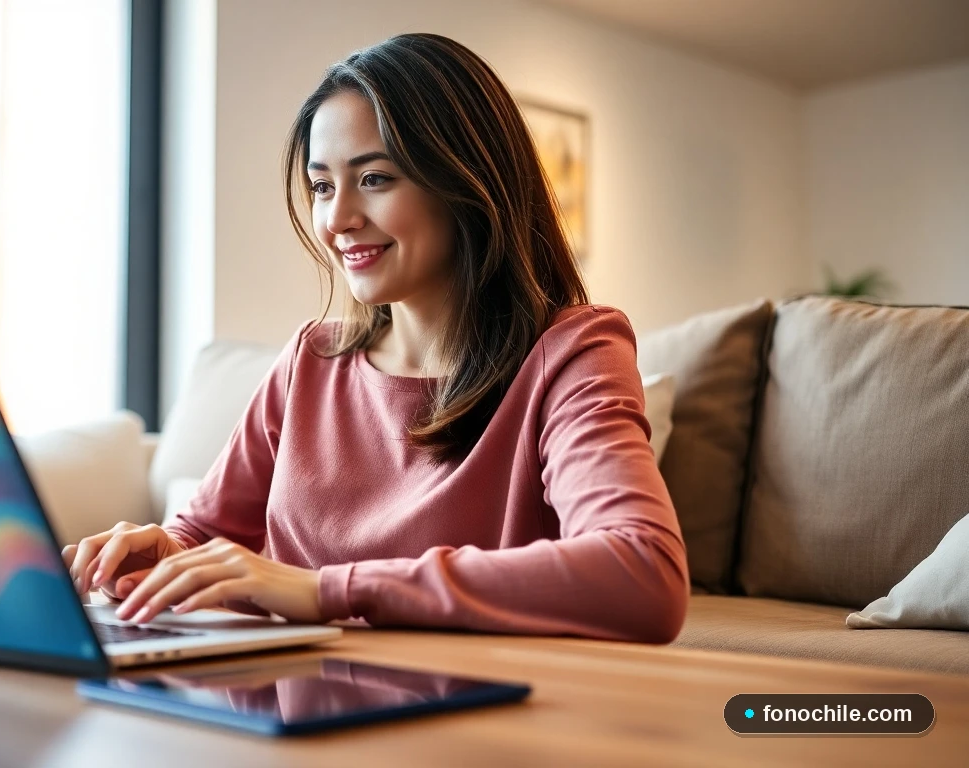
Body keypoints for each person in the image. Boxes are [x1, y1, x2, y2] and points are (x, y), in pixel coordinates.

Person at [63, 33, 689, 643]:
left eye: (375, 178)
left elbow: (643, 573)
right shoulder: (311, 360)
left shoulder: (572, 353)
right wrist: (160, 557)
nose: (337, 220)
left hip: (466, 700)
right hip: (282, 695)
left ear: (467, 181)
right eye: (322, 186)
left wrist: (327, 591)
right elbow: (203, 536)